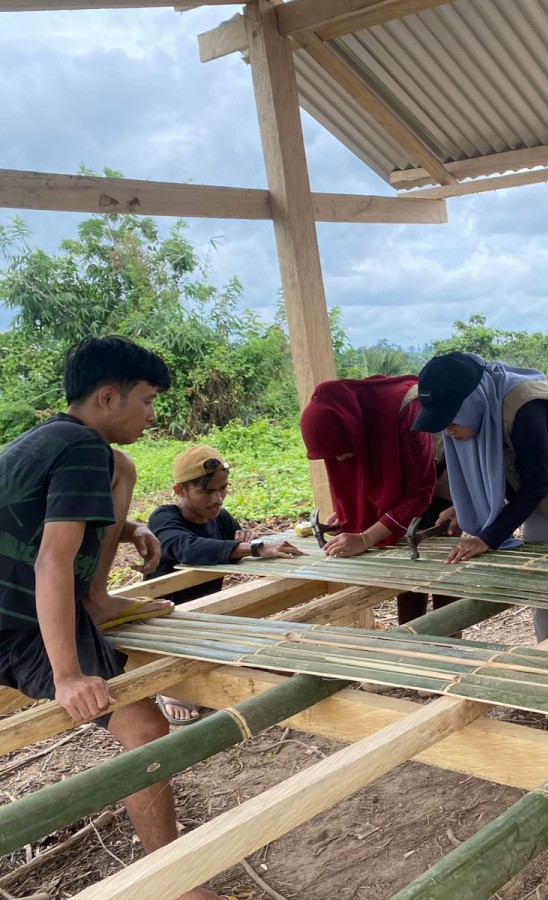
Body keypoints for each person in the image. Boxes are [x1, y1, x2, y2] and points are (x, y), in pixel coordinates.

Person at [0, 335, 225, 900]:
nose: (152, 414)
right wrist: (68, 673)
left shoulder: (51, 440)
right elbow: (52, 559)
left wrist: (131, 528)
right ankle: (173, 881)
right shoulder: (82, 450)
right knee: (145, 729)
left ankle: (97, 599)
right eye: (146, 401)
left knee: (122, 465)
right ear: (106, 397)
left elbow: (42, 521)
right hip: (15, 620)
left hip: (16, 604)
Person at [412, 352, 548, 655]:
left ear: (470, 402)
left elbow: (537, 480)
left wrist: (488, 537)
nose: (449, 431)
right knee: (539, 587)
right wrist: (464, 509)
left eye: (451, 419)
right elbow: (506, 472)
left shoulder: (523, 407)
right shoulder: (487, 407)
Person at [145, 445, 303, 723]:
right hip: (167, 621)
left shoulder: (219, 517)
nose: (217, 498)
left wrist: (247, 542)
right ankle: (170, 685)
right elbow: (186, 548)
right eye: (206, 491)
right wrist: (251, 547)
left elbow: (240, 541)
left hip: (207, 615)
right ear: (180, 491)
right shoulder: (164, 518)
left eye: (223, 489)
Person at [300, 376, 454, 624]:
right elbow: (363, 472)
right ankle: (410, 639)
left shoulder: (407, 408)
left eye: (341, 451)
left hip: (442, 478)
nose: (339, 460)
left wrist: (366, 537)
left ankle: (450, 645)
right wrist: (352, 513)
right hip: (413, 479)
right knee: (407, 575)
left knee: (442, 567)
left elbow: (421, 489)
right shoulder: (352, 416)